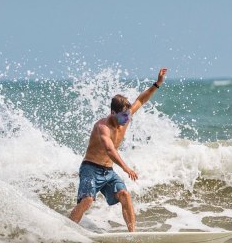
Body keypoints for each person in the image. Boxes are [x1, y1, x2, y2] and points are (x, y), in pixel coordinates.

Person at [69, 68, 168, 232]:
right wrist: (126, 168)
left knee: (125, 195)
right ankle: (69, 229)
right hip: (90, 168)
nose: (126, 119)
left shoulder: (126, 116)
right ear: (112, 113)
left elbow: (141, 100)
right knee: (87, 200)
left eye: (128, 115)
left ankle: (133, 235)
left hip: (108, 171)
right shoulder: (102, 127)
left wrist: (157, 84)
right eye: (123, 116)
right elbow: (109, 149)